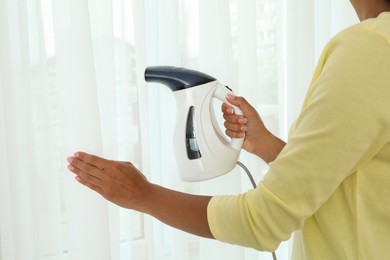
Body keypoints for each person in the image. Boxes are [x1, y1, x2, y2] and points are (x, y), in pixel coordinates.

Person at [67, 1, 390, 259]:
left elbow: (260, 222)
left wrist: (143, 195)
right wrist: (267, 147)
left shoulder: (372, 47)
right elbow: (368, 184)